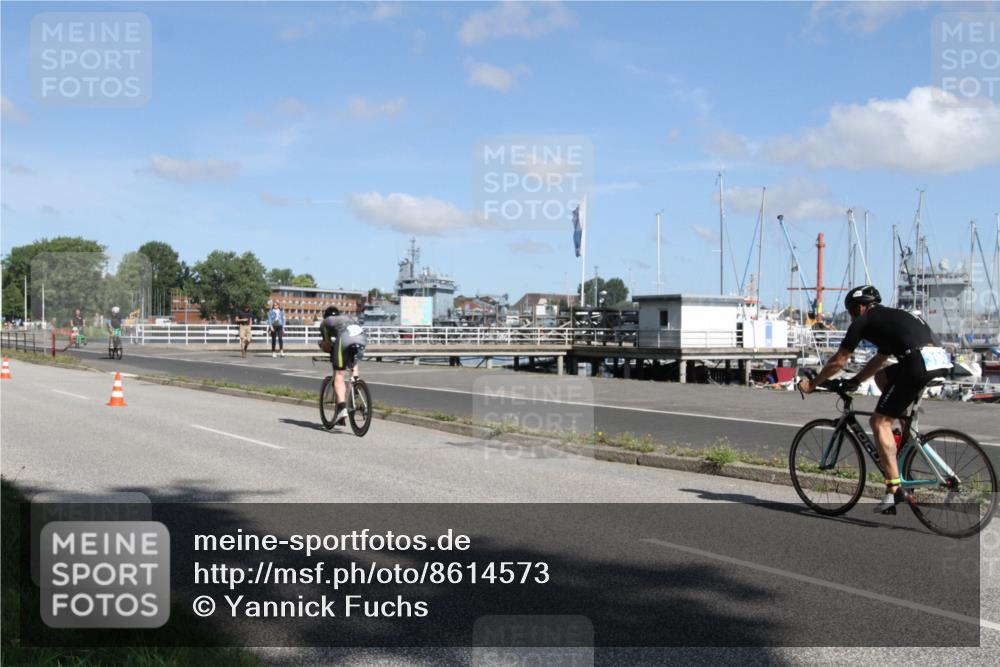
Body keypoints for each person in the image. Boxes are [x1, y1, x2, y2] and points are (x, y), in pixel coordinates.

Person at [799, 285, 952, 514]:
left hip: (917, 364)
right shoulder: (892, 317)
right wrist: (857, 380)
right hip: (938, 361)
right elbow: (880, 360)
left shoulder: (864, 320)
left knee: (878, 422)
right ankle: (903, 433)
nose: (851, 316)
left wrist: (813, 384)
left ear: (860, 307)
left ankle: (894, 489)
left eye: (851, 312)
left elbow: (839, 360)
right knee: (882, 378)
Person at [320, 306, 367, 425]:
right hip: (361, 338)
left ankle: (342, 408)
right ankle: (356, 383)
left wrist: (321, 346)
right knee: (352, 359)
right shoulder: (346, 318)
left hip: (345, 338)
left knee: (339, 375)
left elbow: (327, 344)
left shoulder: (325, 323)